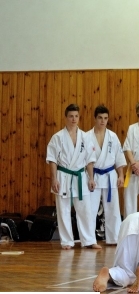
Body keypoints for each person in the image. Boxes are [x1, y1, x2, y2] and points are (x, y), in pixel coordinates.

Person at [46, 104, 100, 250]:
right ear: (66, 117)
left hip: (80, 175)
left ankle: (89, 240)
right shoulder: (57, 137)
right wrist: (54, 179)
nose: (74, 119)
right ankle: (67, 241)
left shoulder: (85, 137)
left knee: (85, 209)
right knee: (63, 209)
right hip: (63, 175)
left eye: (76, 116)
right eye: (71, 116)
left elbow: (90, 160)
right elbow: (52, 159)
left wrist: (91, 178)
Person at [85, 105, 127, 245]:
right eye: (100, 118)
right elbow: (86, 159)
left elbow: (119, 157)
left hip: (110, 175)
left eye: (105, 118)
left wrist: (121, 175)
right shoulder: (87, 136)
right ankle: (90, 240)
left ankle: (114, 238)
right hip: (93, 175)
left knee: (113, 209)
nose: (103, 121)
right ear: (95, 118)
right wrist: (90, 178)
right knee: (91, 209)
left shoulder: (113, 137)